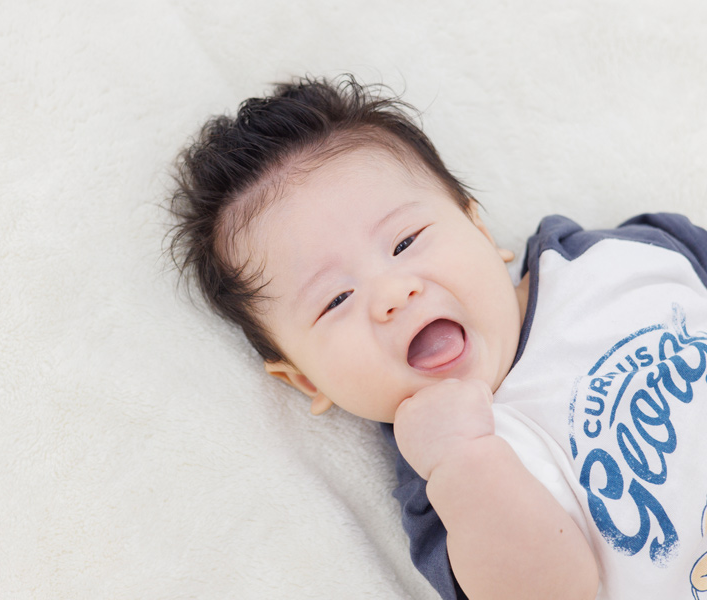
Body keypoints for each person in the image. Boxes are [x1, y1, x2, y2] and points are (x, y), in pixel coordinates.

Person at [168, 74, 707, 600]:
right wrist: (464, 461)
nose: (392, 294)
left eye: (405, 242)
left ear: (478, 230)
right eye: (336, 299)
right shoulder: (446, 490)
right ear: (307, 378)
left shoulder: (620, 258)